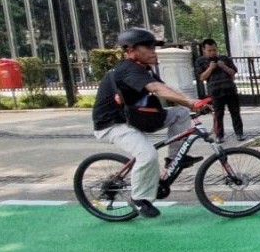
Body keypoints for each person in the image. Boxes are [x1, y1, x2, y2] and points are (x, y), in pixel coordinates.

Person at [92, 28, 207, 218]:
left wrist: (193, 104)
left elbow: (165, 89)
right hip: (112, 124)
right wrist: (192, 102)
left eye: (154, 46)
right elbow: (156, 89)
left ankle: (175, 159)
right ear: (130, 49)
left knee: (180, 114)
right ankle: (138, 199)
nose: (153, 50)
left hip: (135, 118)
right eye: (147, 46)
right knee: (147, 155)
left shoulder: (143, 69)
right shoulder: (127, 68)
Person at [195, 38, 243, 143]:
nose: (213, 53)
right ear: (204, 50)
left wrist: (223, 66)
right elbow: (202, 77)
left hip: (230, 90)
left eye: (214, 50)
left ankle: (239, 133)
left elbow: (233, 72)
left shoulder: (224, 59)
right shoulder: (200, 61)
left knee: (235, 112)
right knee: (218, 114)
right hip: (215, 92)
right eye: (210, 50)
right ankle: (219, 135)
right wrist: (210, 68)